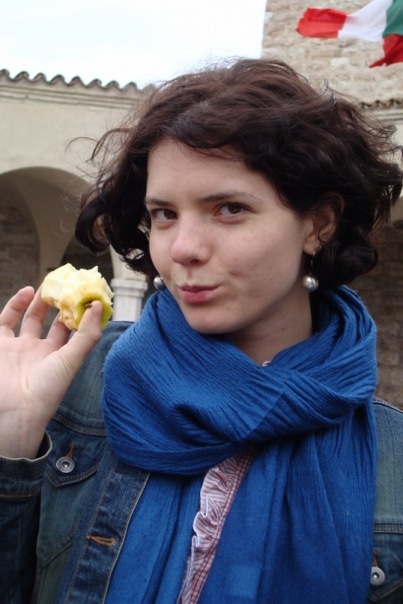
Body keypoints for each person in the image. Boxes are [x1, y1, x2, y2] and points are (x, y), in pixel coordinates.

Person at [0, 58, 402, 604]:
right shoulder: (75, 387)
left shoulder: (392, 457)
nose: (183, 248)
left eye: (229, 208)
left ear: (319, 224)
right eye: (164, 214)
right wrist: (12, 441)